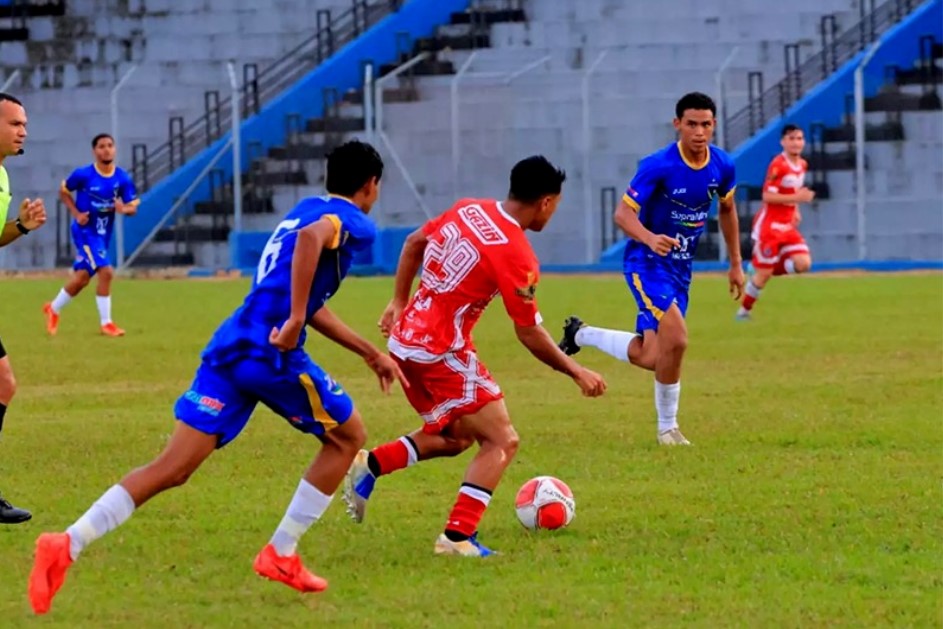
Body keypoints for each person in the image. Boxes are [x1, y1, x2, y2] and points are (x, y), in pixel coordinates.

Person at [28, 140, 407, 614]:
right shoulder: (353, 221)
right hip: (270, 352)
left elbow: (309, 299)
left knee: (173, 467)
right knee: (348, 437)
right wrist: (292, 321)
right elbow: (313, 246)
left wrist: (368, 351)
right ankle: (281, 553)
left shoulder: (304, 208)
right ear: (370, 186)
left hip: (232, 344)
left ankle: (66, 543)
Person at [342, 156, 607, 557]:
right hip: (440, 350)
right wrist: (575, 370)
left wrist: (399, 301)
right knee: (502, 439)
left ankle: (371, 465)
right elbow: (529, 332)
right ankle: (456, 538)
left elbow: (414, 242)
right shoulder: (517, 254)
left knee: (457, 437)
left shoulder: (469, 208)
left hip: (405, 341)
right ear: (547, 202)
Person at [556, 92, 744, 446]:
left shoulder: (723, 165)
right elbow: (622, 214)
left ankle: (581, 334)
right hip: (646, 263)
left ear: (714, 125)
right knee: (679, 338)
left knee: (654, 356)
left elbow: (728, 211)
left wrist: (736, 263)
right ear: (677, 125)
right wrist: (648, 237)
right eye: (691, 124)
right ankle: (667, 429)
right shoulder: (658, 165)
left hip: (680, 269)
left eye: (706, 124)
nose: (699, 132)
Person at [0, 92, 47, 524]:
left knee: (2, 384)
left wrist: (20, 227)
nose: (23, 132)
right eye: (15, 123)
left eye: (25, 124)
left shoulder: (2, 177)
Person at [43, 133, 138, 337]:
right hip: (85, 232)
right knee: (106, 272)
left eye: (110, 145)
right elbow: (64, 191)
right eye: (102, 146)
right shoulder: (83, 174)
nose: (106, 149)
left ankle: (53, 308)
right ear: (94, 151)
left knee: (82, 278)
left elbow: (133, 208)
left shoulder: (122, 178)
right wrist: (76, 213)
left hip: (103, 233)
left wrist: (123, 209)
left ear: (115, 149)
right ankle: (106, 323)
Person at [736, 124, 814, 320]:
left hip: (787, 225)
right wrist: (797, 197)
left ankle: (761, 266)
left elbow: (792, 191)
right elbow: (767, 196)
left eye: (799, 138)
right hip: (770, 225)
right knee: (763, 276)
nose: (796, 143)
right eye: (792, 139)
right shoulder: (778, 165)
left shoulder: (802, 165)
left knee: (803, 263)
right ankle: (744, 312)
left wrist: (795, 208)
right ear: (783, 142)